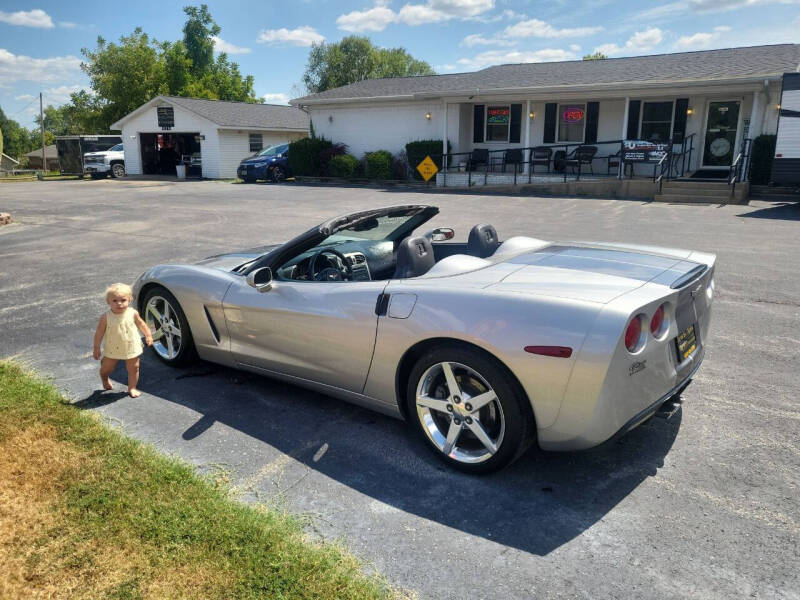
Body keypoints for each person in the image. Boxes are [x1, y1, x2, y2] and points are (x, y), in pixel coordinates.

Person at [93, 283, 153, 397]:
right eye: (115, 300)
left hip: (131, 346)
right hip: (112, 348)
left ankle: (132, 388)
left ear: (129, 300)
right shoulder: (106, 317)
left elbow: (141, 324)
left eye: (123, 300)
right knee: (107, 368)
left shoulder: (133, 313)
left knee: (134, 368)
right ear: (108, 302)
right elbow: (99, 333)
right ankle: (104, 378)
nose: (119, 303)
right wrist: (96, 348)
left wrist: (148, 335)